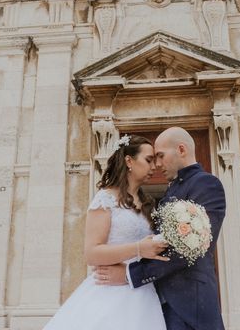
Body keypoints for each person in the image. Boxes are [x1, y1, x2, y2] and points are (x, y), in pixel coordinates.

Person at [95, 127, 226, 330]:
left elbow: (189, 248)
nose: (157, 164)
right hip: (155, 303)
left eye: (160, 156)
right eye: (152, 159)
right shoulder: (171, 190)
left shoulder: (207, 184)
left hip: (190, 305)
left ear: (181, 150)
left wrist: (131, 274)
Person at [43, 135, 169, 330]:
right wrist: (138, 249)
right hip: (110, 290)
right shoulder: (105, 199)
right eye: (148, 160)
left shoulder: (148, 204)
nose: (155, 167)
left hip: (143, 293)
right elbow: (92, 253)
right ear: (129, 161)